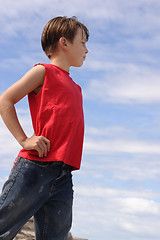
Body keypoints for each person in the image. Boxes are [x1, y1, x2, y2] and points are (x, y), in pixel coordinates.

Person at [0, 16, 89, 240]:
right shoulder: (43, 72)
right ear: (64, 43)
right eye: (83, 42)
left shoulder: (76, 88)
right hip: (34, 169)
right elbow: (5, 101)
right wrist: (24, 140)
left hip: (63, 176)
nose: (86, 49)